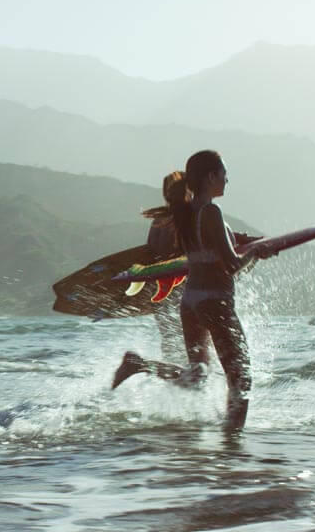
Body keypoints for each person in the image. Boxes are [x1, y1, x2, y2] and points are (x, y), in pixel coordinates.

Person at [112, 150, 275, 431]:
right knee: (241, 379)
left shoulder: (186, 214)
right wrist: (257, 253)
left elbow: (208, 249)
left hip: (190, 303)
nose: (227, 179)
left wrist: (241, 241)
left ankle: (141, 365)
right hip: (215, 303)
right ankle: (231, 444)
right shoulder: (210, 211)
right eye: (224, 174)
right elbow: (232, 265)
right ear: (211, 177)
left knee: (198, 375)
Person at [142, 172, 189, 361]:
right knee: (197, 350)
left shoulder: (158, 221)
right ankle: (137, 364)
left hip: (161, 290)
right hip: (184, 289)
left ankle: (140, 365)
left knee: (171, 344)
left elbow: (149, 255)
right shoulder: (185, 218)